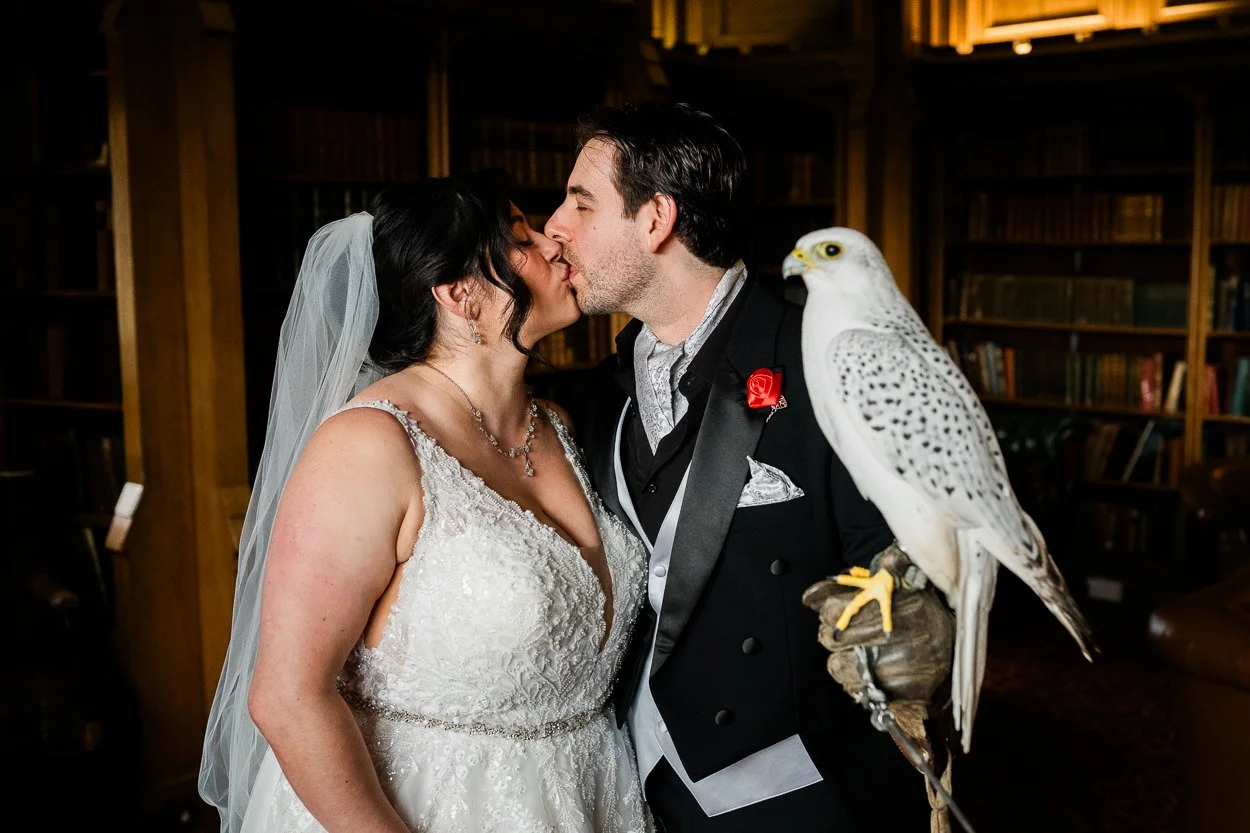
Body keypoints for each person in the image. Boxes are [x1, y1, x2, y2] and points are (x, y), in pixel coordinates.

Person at [199, 170, 653, 833]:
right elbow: (287, 696)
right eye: (521, 238)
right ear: (459, 293)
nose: (556, 240)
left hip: (587, 799)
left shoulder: (558, 426)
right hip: (429, 804)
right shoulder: (370, 445)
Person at [544, 101, 948, 832]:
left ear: (656, 217)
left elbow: (910, 592)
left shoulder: (829, 358)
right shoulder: (602, 391)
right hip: (631, 784)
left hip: (798, 798)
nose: (555, 227)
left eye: (581, 202)